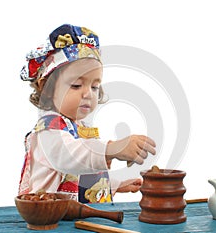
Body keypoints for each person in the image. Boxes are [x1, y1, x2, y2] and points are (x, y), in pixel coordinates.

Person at [19, 23, 156, 203]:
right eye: (76, 85)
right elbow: (71, 157)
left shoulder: (79, 127)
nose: (88, 94)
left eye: (94, 86)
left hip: (76, 219)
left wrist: (114, 185)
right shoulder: (49, 129)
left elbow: (83, 172)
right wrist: (113, 148)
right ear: (47, 88)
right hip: (51, 218)